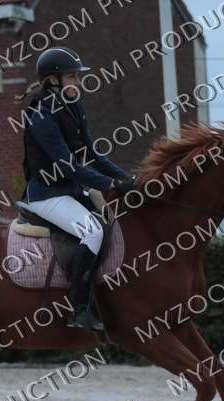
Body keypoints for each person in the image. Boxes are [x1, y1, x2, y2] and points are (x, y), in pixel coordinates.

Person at [20, 47, 137, 331]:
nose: (78, 81)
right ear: (53, 80)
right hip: (46, 194)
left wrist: (128, 179)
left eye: (77, 76)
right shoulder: (40, 115)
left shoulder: (73, 107)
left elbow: (92, 154)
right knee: (92, 232)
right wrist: (108, 184)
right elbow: (66, 164)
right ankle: (78, 308)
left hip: (69, 191)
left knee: (114, 222)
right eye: (72, 76)